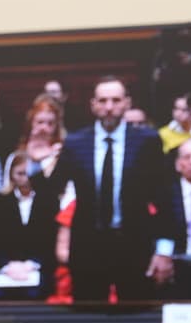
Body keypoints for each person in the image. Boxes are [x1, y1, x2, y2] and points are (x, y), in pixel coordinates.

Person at [35, 76, 174, 301]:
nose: (109, 107)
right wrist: (39, 163)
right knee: (90, 321)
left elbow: (164, 197)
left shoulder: (147, 141)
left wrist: (164, 250)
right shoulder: (76, 142)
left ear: (127, 103)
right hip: (88, 248)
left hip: (134, 245)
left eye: (116, 100)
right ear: (93, 105)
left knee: (135, 318)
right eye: (103, 101)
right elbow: (51, 190)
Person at [0, 154, 60, 300]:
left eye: (30, 173)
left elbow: (51, 239)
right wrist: (7, 266)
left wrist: (32, 264)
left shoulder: (48, 202)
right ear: (11, 174)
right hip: (4, 268)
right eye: (20, 173)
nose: (26, 178)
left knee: (38, 294)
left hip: (38, 267)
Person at [3, 94, 66, 180]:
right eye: (40, 122)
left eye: (50, 123)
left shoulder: (63, 156)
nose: (44, 128)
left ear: (57, 126)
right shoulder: (15, 157)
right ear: (31, 123)